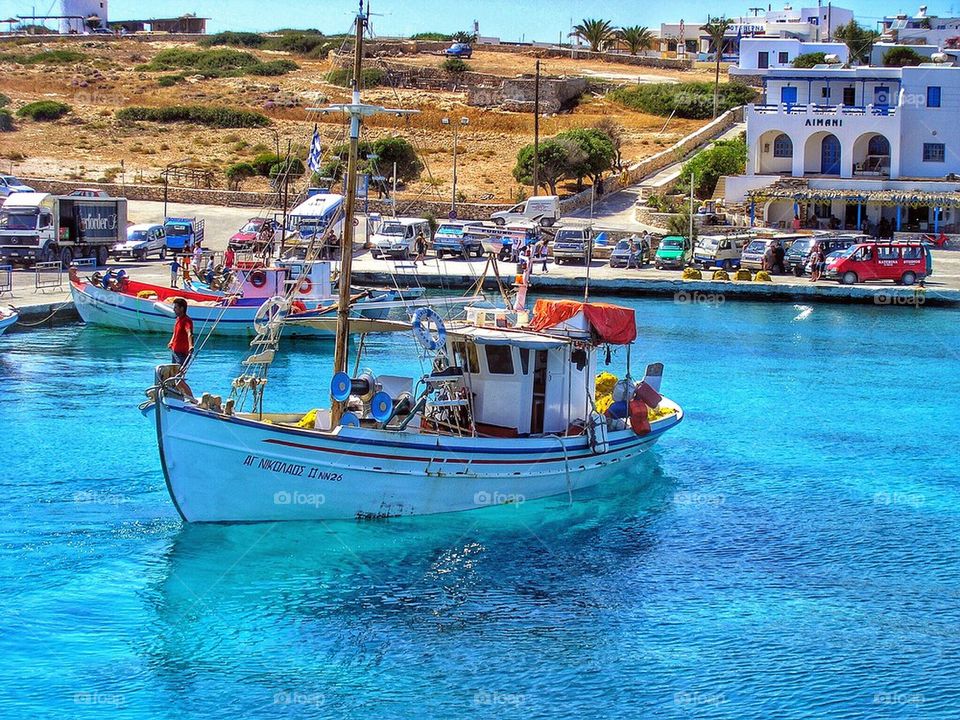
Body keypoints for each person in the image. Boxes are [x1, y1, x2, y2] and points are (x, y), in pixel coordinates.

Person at [167, 298, 194, 397]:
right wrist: (171, 341)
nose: (174, 309)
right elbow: (175, 333)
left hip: (182, 354)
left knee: (178, 378)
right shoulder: (178, 319)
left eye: (176, 308)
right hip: (175, 352)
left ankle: (191, 398)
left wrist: (191, 345)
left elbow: (189, 333)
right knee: (173, 377)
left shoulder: (187, 321)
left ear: (182, 308)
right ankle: (179, 396)